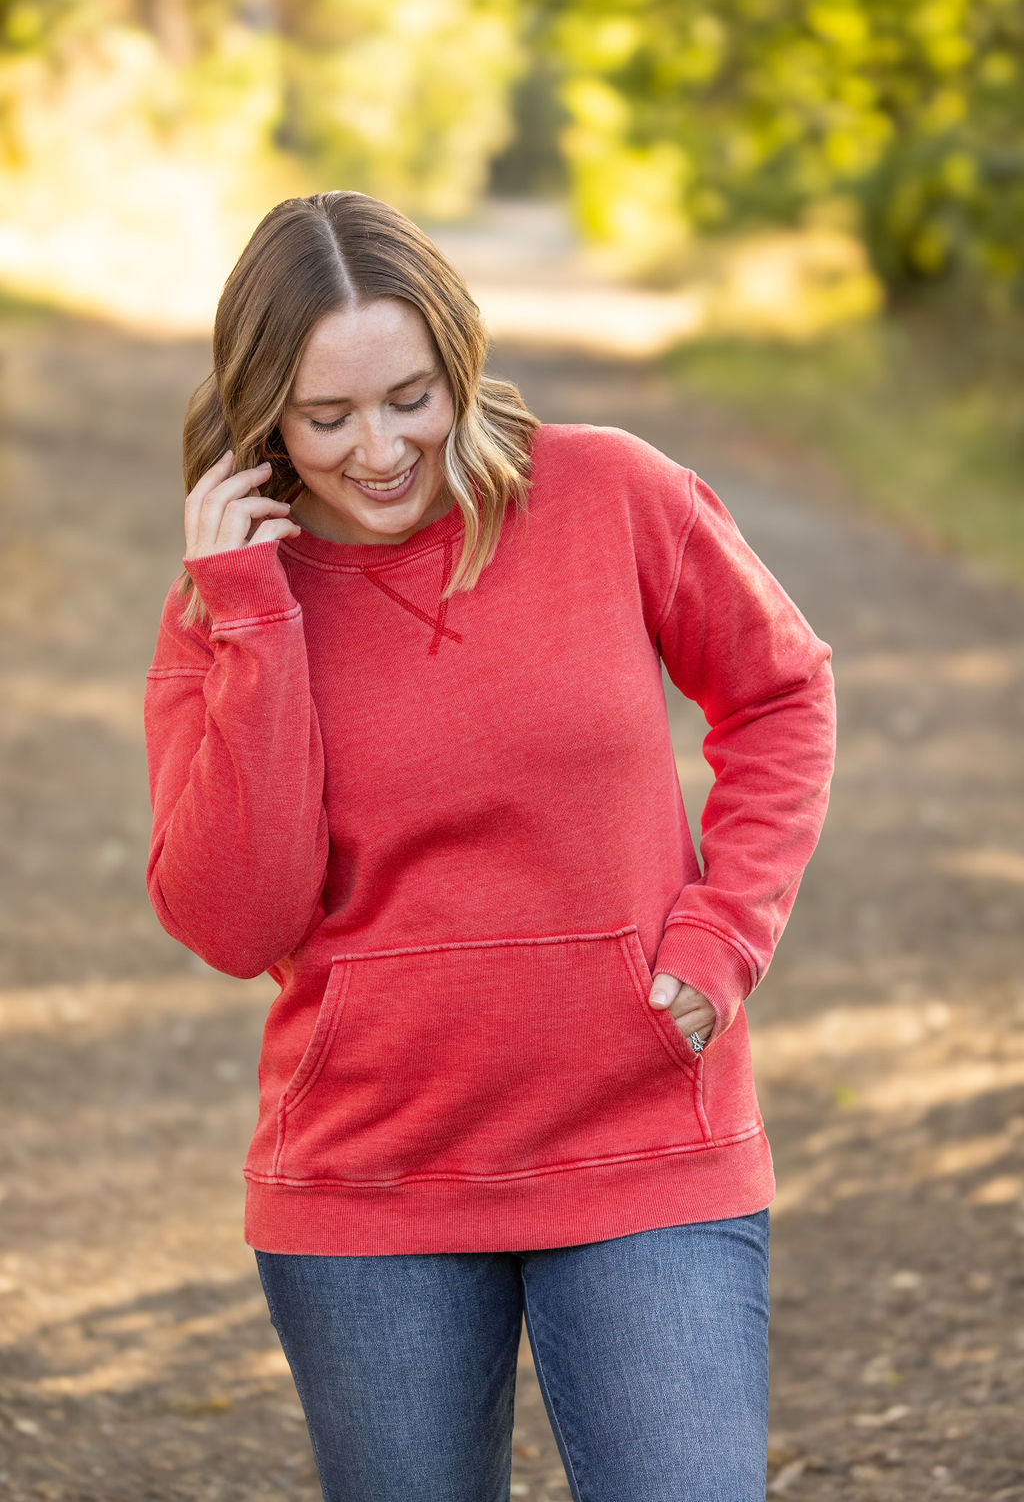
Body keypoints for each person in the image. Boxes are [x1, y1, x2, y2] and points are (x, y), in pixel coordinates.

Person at [143, 189, 837, 1502]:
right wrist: (256, 621)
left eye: (411, 395)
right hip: (369, 1178)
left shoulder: (611, 494)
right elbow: (237, 920)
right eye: (325, 416)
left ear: (458, 357)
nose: (382, 449)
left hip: (642, 1142)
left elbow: (782, 692)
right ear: (260, 420)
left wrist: (725, 926)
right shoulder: (230, 606)